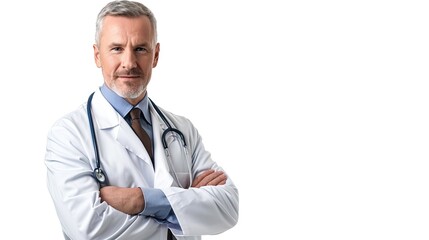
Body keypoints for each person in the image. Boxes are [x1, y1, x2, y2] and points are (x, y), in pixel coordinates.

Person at [44, 1, 239, 239]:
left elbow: (228, 206)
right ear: (97, 55)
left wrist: (139, 200)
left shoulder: (182, 129)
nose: (129, 62)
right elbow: (88, 230)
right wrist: (184, 207)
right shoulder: (69, 134)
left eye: (140, 49)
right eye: (116, 48)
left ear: (155, 55)